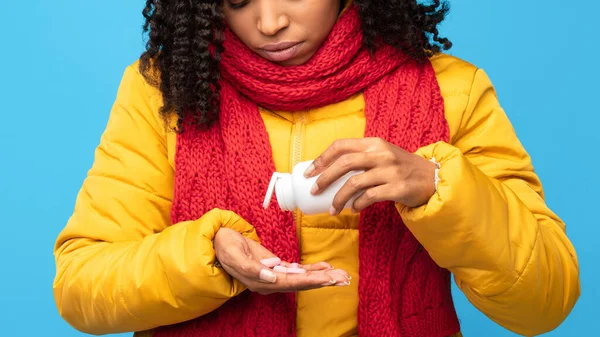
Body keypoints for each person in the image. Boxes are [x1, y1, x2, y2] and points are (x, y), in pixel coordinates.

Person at [52, 0, 580, 336]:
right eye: (238, 0)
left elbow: (543, 302)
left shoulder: (452, 91)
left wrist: (437, 188)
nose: (269, 22)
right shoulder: (163, 92)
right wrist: (205, 258)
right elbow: (81, 287)